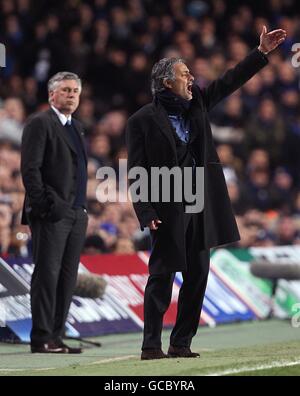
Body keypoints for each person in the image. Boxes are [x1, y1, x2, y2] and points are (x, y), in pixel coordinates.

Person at [126, 26, 286, 360]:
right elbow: (137, 172)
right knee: (161, 275)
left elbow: (229, 81)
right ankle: (151, 345)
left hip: (200, 203)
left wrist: (260, 54)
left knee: (198, 275)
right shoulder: (141, 120)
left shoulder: (197, 101)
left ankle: (181, 342)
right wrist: (146, 212)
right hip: (167, 206)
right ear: (167, 81)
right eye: (185, 74)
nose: (192, 78)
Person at [21, 72, 88, 354]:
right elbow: (30, 170)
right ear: (51, 95)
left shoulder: (76, 127)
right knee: (47, 275)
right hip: (52, 213)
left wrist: (81, 208)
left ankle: (56, 336)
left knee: (67, 277)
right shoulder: (40, 122)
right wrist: (46, 206)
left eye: (75, 91)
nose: (71, 95)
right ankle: (42, 337)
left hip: (76, 213)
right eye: (65, 90)